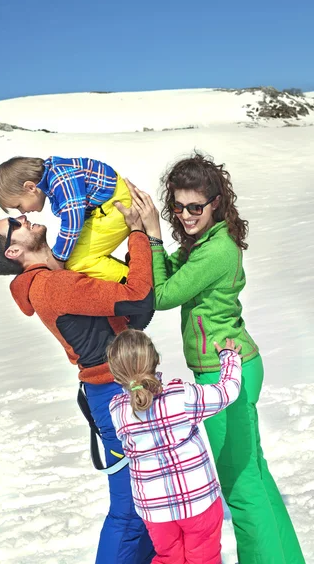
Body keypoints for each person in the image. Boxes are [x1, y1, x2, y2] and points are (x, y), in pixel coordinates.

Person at [127, 153, 306, 564]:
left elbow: (166, 295)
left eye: (195, 206)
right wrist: (153, 242)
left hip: (225, 373)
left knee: (241, 489)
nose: (186, 215)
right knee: (254, 477)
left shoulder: (217, 249)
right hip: (231, 366)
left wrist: (153, 236)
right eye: (178, 206)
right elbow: (169, 272)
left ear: (215, 204)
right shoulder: (203, 243)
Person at [0, 202, 155, 564]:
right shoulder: (54, 287)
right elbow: (138, 299)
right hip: (115, 395)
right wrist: (139, 235)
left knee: (150, 503)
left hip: (119, 389)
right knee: (131, 509)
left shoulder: (56, 276)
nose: (23, 217)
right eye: (14, 224)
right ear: (14, 251)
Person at [108, 329, 242, 564]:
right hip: (197, 500)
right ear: (156, 359)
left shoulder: (117, 410)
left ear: (115, 373)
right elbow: (227, 392)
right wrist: (229, 357)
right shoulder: (180, 396)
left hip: (154, 510)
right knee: (203, 558)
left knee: (168, 558)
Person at [0, 155, 131, 282]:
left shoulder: (60, 178)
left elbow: (73, 220)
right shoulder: (55, 175)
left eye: (19, 205)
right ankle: (127, 276)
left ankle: (136, 284)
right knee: (79, 255)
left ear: (30, 187)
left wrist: (58, 257)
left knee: (76, 260)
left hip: (116, 206)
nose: (23, 212)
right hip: (107, 207)